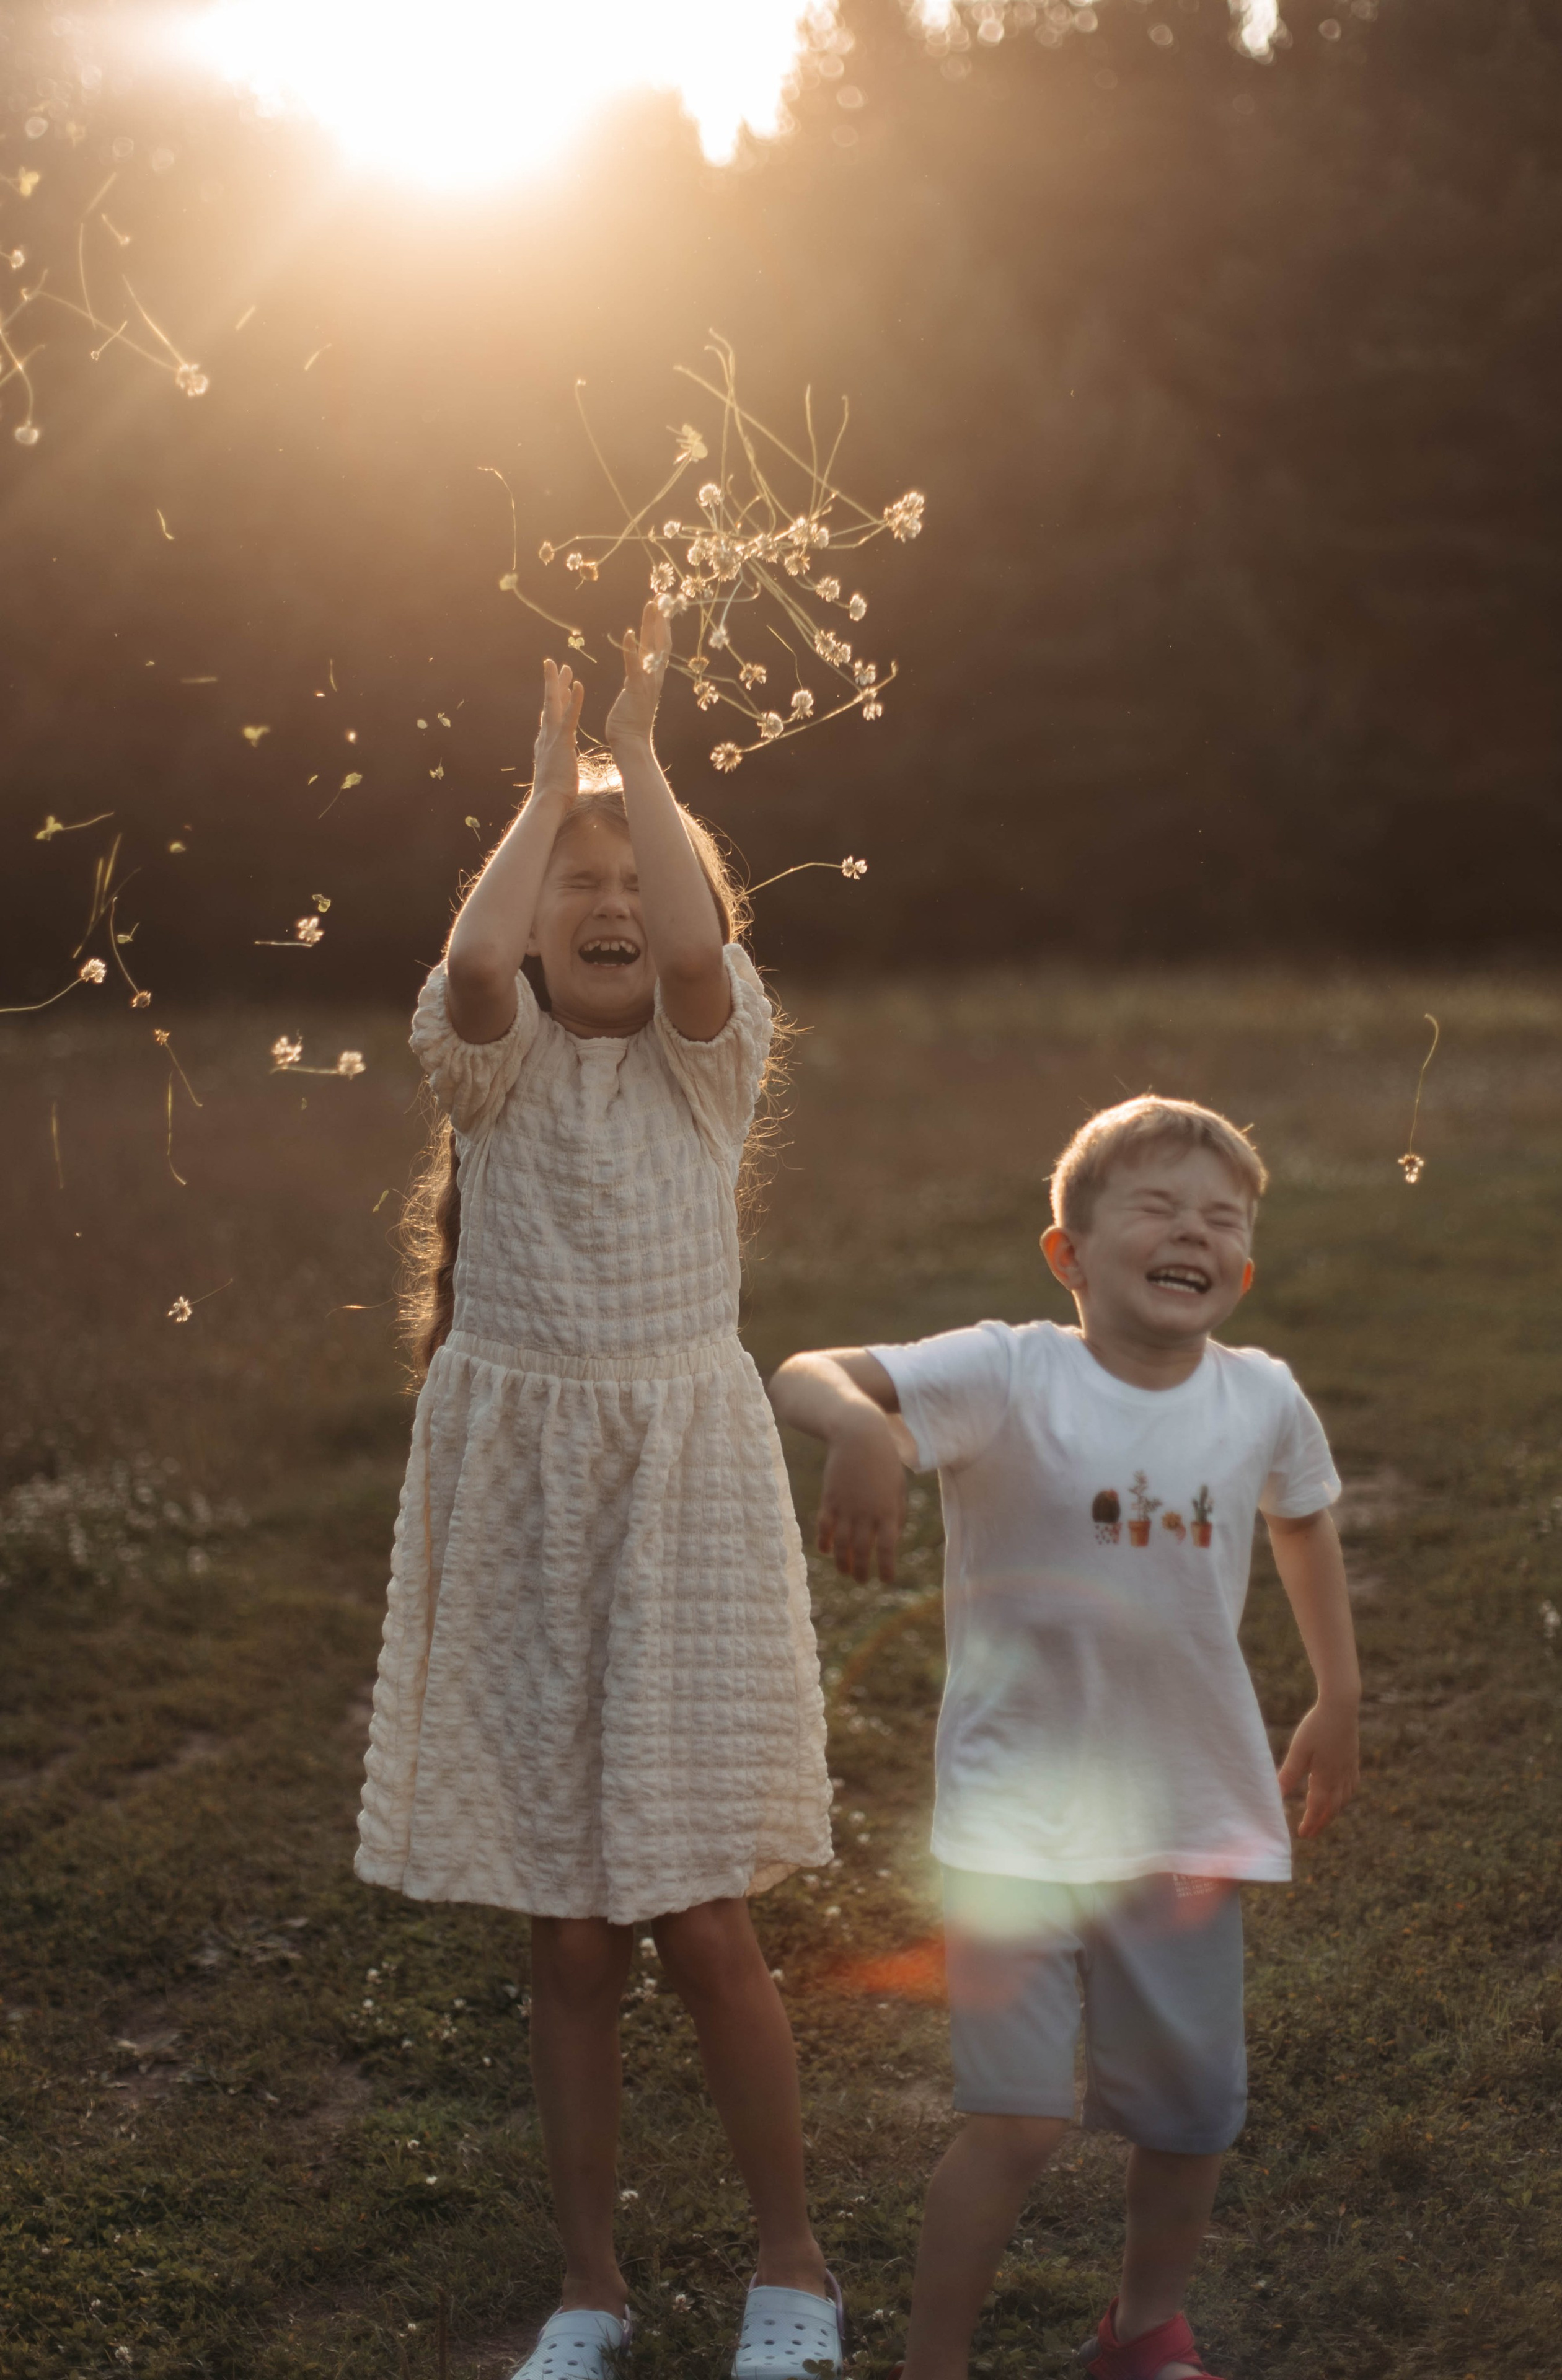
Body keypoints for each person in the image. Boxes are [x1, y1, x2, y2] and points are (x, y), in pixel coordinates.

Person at [355, 603, 841, 2380]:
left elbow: (704, 948)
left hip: (683, 1509)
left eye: (634, 875)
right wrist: (545, 786)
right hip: (528, 1507)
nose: (607, 899)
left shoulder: (711, 1068)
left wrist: (642, 752)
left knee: (702, 1913)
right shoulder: (482, 1062)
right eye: (576, 881)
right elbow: (475, 965)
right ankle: (591, 2285)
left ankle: (793, 2266)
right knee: (571, 1930)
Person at [768, 1096, 1361, 2380]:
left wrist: (1334, 1694)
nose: (1189, 1233)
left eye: (1219, 1219)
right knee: (1017, 2122)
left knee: (1189, 2116)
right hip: (1013, 1823)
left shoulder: (1259, 1397)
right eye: (1153, 1207)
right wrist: (862, 1425)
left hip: (1187, 1822)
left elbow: (1302, 1517)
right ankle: (934, 2364)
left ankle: (1141, 2331)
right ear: (1068, 1253)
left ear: (1240, 1271)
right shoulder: (1008, 1372)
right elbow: (800, 1373)